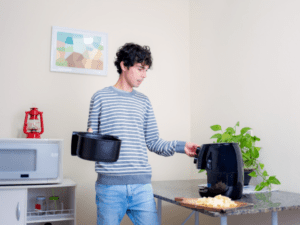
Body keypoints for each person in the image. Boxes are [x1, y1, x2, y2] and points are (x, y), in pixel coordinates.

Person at [87, 43, 199, 225]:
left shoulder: (144, 102)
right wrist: (90, 140)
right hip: (109, 188)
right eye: (140, 69)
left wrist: (181, 146)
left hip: (142, 188)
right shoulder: (100, 98)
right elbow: (93, 143)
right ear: (124, 65)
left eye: (146, 70)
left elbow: (154, 142)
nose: (144, 75)